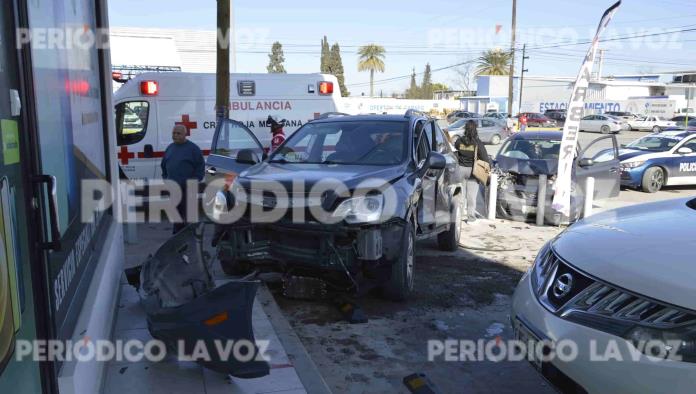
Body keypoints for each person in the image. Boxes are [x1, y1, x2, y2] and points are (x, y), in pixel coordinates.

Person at [161, 124, 205, 233]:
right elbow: (164, 166)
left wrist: (192, 182)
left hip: (187, 188)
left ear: (185, 134)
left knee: (188, 215)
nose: (175, 135)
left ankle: (190, 239)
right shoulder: (170, 148)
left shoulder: (193, 149)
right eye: (173, 133)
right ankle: (177, 238)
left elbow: (200, 168)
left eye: (178, 133)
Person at [453, 120, 492, 223]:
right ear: (475, 129)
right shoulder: (477, 143)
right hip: (473, 171)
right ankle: (471, 218)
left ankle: (458, 216)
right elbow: (484, 157)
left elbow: (455, 146)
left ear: (465, 129)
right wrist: (489, 169)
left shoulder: (460, 141)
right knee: (471, 196)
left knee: (460, 195)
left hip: (460, 170)